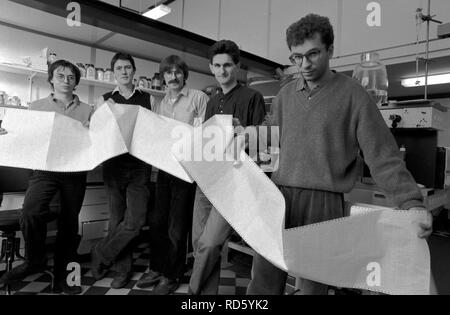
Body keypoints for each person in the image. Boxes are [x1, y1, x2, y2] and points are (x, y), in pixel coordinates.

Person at [246, 14, 433, 295]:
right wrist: (243, 137)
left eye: (313, 54)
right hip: (279, 198)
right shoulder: (285, 96)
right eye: (297, 58)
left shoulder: (353, 95)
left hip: (323, 204)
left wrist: (411, 202)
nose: (304, 65)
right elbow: (269, 142)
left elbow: (382, 154)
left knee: (312, 286)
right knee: (263, 281)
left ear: (330, 50)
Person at [0, 60, 93, 295]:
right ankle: (35, 259)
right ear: (51, 79)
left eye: (71, 77)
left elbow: (95, 139)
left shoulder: (88, 110)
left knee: (69, 222)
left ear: (76, 82)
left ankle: (65, 277)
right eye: (61, 75)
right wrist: (8, 133)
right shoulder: (36, 106)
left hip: (74, 170)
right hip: (44, 170)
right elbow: (25, 137)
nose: (66, 80)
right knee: (31, 211)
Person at [188, 40, 267, 295]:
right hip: (207, 179)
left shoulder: (252, 97)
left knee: (210, 244)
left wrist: (245, 133)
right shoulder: (213, 100)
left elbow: (265, 145)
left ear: (237, 66)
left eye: (228, 65)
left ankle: (193, 294)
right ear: (211, 67)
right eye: (218, 66)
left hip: (232, 183)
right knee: (199, 242)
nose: (222, 71)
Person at [136, 55, 209, 294]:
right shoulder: (161, 103)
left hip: (186, 171)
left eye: (178, 72)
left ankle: (172, 274)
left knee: (177, 227)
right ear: (163, 76)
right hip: (164, 169)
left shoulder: (198, 98)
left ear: (184, 75)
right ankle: (156, 268)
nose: (173, 77)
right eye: (168, 73)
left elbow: (205, 134)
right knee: (157, 222)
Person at [90, 53, 152, 289]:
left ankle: (101, 252)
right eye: (119, 68)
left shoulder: (147, 99)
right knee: (117, 218)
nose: (124, 72)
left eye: (128, 68)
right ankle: (122, 271)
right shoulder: (104, 99)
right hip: (114, 164)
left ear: (134, 71)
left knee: (135, 220)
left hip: (140, 164)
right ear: (113, 72)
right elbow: (97, 131)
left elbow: (153, 130)